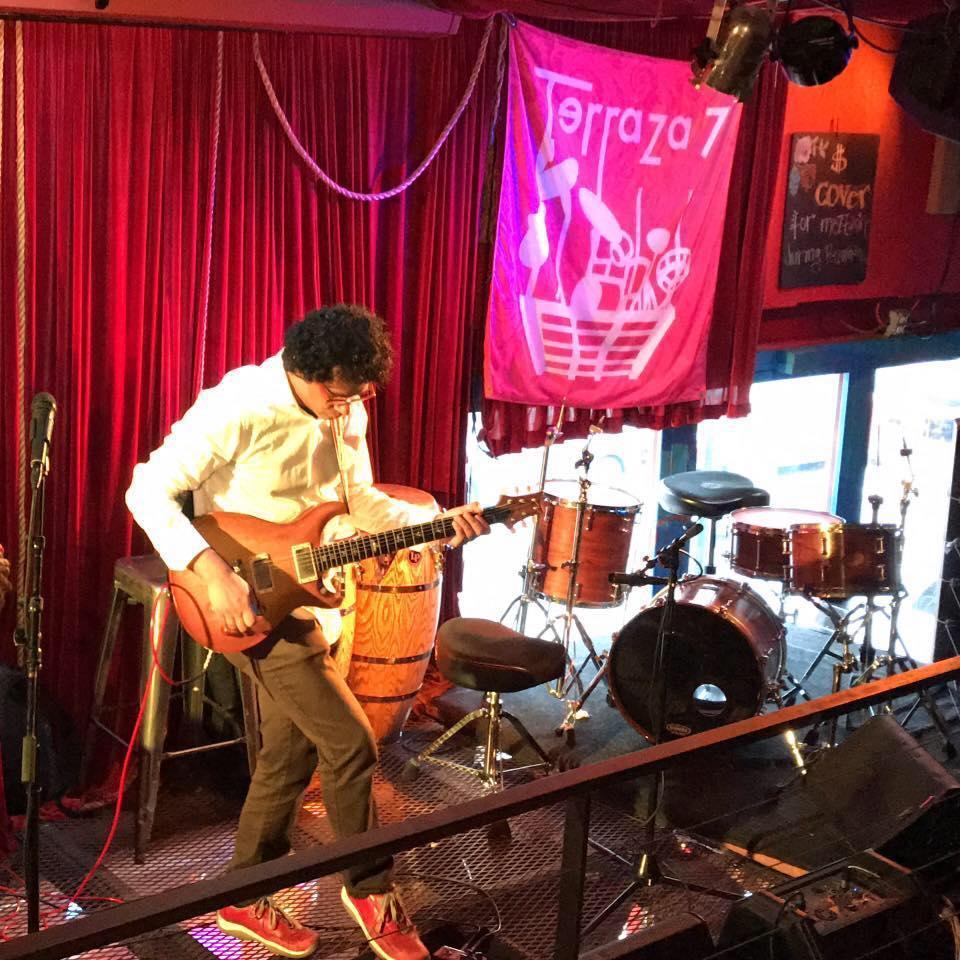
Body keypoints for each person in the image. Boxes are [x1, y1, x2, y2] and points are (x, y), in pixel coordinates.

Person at [125, 304, 489, 960]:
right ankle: (373, 893)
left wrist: (432, 522)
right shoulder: (238, 405)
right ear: (307, 373)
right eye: (341, 395)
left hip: (310, 596)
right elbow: (146, 490)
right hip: (240, 599)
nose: (348, 408)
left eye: (360, 396)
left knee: (288, 754)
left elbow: (359, 501)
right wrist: (213, 573)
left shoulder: (348, 410)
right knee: (351, 744)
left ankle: (244, 893)